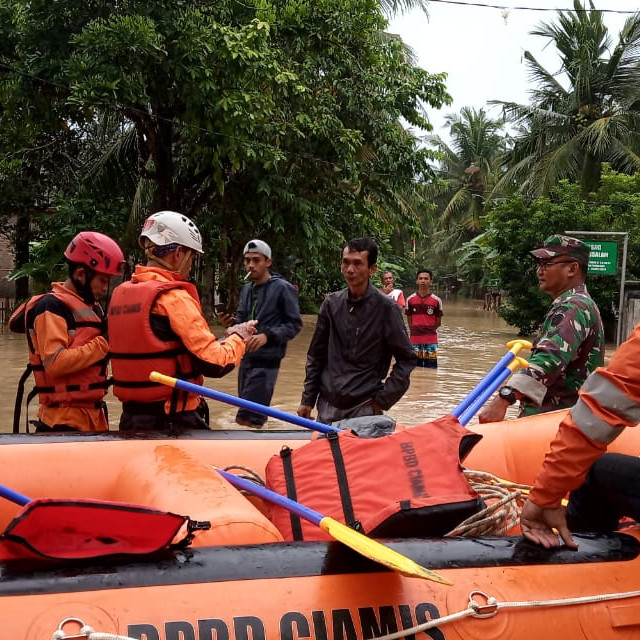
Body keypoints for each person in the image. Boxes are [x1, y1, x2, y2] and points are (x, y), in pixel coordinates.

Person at [108, 211, 256, 431]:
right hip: (173, 420)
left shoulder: (120, 295)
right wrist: (239, 336)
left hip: (130, 420)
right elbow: (215, 363)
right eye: (192, 256)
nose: (190, 264)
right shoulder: (174, 298)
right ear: (178, 253)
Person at [520, 321, 640, 549]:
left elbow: (605, 406)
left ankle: (581, 560)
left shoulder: (574, 310)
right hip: (570, 401)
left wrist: (545, 495)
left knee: (595, 472)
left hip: (566, 401)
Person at [479, 235, 604, 423]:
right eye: (538, 264)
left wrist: (504, 398)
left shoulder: (573, 307)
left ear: (572, 268)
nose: (539, 271)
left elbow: (549, 358)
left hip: (556, 421)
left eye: (547, 264)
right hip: (566, 418)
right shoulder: (579, 303)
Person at [9, 231, 125, 433]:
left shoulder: (93, 308)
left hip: (92, 417)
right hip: (62, 421)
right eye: (103, 281)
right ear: (81, 274)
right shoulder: (50, 307)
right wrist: (104, 343)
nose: (105, 288)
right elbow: (55, 363)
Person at [297, 237, 416, 424]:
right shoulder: (331, 304)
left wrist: (382, 401)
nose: (350, 270)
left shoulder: (387, 309)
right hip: (327, 404)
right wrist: (307, 399)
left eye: (357, 264)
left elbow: (407, 359)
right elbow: (316, 355)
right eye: (346, 263)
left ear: (372, 269)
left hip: (364, 407)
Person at [220, 239, 302, 428]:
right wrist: (231, 324)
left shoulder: (283, 288)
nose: (251, 265)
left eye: (256, 260)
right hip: (246, 359)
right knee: (249, 416)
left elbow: (294, 324)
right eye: (247, 260)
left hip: (267, 362)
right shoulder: (247, 289)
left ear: (268, 262)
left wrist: (267, 336)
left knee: (247, 418)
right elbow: (241, 320)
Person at [405, 268, 443, 368]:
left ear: (431, 281)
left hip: (431, 340)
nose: (423, 281)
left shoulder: (437, 301)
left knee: (431, 368)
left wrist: (428, 330)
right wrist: (415, 330)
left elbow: (438, 322)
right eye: (420, 278)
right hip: (414, 340)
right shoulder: (410, 300)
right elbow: (409, 320)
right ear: (417, 281)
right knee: (414, 368)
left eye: (426, 278)